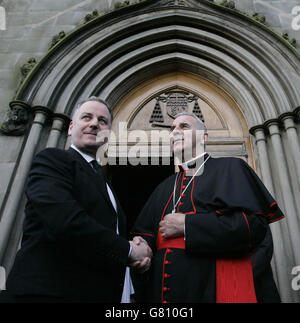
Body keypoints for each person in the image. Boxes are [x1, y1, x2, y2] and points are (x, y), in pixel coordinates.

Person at [0, 97, 152, 303]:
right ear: (70, 128)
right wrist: (128, 250)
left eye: (102, 121)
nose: (94, 124)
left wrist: (132, 251)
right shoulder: (52, 160)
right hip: (49, 293)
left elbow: (105, 231)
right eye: (86, 117)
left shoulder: (104, 181)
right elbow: (65, 220)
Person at [131, 111, 284, 303]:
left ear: (204, 137)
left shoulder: (231, 168)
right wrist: (141, 247)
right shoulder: (164, 186)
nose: (175, 132)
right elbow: (145, 233)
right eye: (172, 129)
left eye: (184, 126)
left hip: (212, 289)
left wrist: (187, 225)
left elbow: (253, 227)